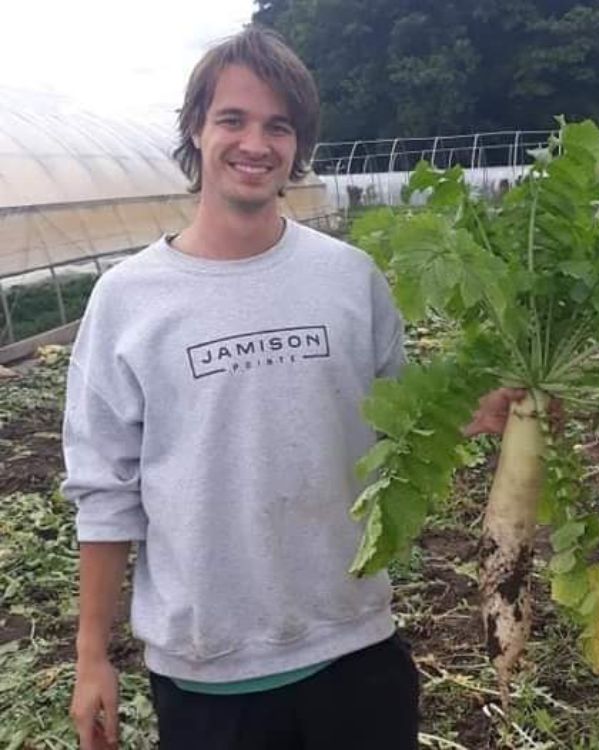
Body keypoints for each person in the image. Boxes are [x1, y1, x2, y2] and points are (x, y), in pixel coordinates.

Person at [62, 24, 522, 750]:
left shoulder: (349, 277)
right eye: (233, 120)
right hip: (206, 674)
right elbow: (104, 493)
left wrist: (486, 410)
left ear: (298, 144)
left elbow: (398, 411)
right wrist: (91, 658)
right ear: (195, 129)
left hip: (354, 646)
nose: (256, 143)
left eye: (278, 126)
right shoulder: (127, 300)